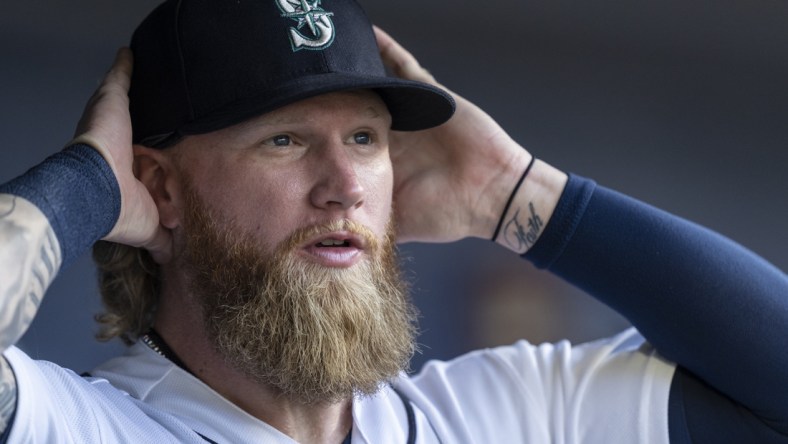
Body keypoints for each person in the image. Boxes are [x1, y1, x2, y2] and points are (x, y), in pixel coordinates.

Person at [0, 0, 786, 442]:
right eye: (284, 141)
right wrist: (81, 189)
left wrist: (519, 198)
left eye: (365, 140)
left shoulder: (502, 415)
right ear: (159, 190)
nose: (343, 185)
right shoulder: (73, 426)